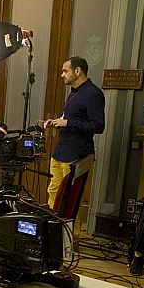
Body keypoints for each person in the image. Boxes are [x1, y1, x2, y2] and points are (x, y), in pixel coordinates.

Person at [44, 56, 105, 209]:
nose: (62, 75)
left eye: (65, 71)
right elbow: (72, 119)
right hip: (60, 152)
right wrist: (58, 121)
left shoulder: (93, 93)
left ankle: (69, 232)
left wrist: (68, 123)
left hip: (76, 155)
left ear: (77, 71)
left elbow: (98, 126)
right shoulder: (74, 92)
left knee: (69, 199)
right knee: (53, 192)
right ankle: (52, 230)